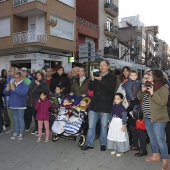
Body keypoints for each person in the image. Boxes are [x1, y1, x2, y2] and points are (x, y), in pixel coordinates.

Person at [81, 60, 117, 151]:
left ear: (108, 67)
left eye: (104, 65)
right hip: (94, 105)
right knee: (91, 127)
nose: (102, 67)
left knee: (104, 127)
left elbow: (110, 88)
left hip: (105, 106)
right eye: (100, 65)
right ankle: (90, 144)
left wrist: (101, 80)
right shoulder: (97, 74)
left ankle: (103, 144)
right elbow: (90, 88)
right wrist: (92, 80)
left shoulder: (112, 77)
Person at [137, 69, 169, 170]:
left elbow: (163, 102)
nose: (148, 76)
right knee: (152, 138)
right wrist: (142, 91)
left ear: (156, 76)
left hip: (158, 118)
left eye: (150, 75)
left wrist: (152, 93)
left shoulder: (163, 87)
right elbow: (139, 97)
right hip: (147, 117)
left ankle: (165, 161)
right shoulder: (148, 84)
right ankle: (156, 155)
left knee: (160, 139)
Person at [3, 71, 28, 140]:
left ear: (21, 77)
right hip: (13, 104)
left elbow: (23, 93)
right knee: (15, 120)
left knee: (20, 119)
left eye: (16, 77)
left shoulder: (24, 85)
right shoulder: (12, 83)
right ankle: (16, 132)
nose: (15, 79)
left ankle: (21, 133)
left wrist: (15, 89)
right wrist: (6, 90)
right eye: (14, 77)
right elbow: (5, 93)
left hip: (21, 105)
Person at [27, 70, 49, 135]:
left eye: (39, 75)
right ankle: (37, 128)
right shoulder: (33, 82)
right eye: (37, 75)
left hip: (39, 102)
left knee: (40, 117)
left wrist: (39, 85)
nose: (38, 77)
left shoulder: (44, 83)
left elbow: (46, 91)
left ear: (42, 76)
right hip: (32, 102)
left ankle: (41, 130)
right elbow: (29, 90)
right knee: (35, 117)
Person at [4, 67, 18, 133]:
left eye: (11, 71)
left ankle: (18, 128)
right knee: (10, 114)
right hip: (8, 99)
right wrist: (6, 90)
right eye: (9, 71)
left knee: (16, 115)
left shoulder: (18, 78)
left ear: (15, 72)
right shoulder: (8, 79)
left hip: (15, 100)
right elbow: (5, 89)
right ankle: (13, 128)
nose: (9, 72)